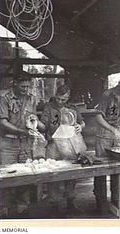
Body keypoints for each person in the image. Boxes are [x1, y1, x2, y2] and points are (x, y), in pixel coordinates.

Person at [0, 72, 45, 217]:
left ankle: (22, 208)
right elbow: (3, 122)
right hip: (8, 141)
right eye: (23, 86)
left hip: (25, 142)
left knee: (24, 176)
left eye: (28, 86)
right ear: (15, 83)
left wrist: (35, 123)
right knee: (6, 176)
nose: (26, 89)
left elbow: (32, 117)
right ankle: (2, 211)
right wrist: (22, 131)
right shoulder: (4, 98)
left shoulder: (31, 98)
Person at [40, 85, 85, 214]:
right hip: (53, 144)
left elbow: (82, 122)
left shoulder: (72, 108)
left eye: (63, 99)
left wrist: (80, 126)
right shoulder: (49, 107)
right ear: (55, 95)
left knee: (71, 174)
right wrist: (37, 123)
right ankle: (54, 206)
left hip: (70, 144)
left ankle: (70, 203)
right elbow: (43, 126)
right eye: (59, 99)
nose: (60, 102)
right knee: (53, 174)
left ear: (68, 97)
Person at [94, 74, 120, 208]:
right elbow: (99, 116)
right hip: (104, 134)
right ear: (119, 83)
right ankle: (100, 201)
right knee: (101, 168)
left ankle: (117, 200)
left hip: (119, 135)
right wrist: (113, 130)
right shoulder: (107, 95)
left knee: (119, 168)